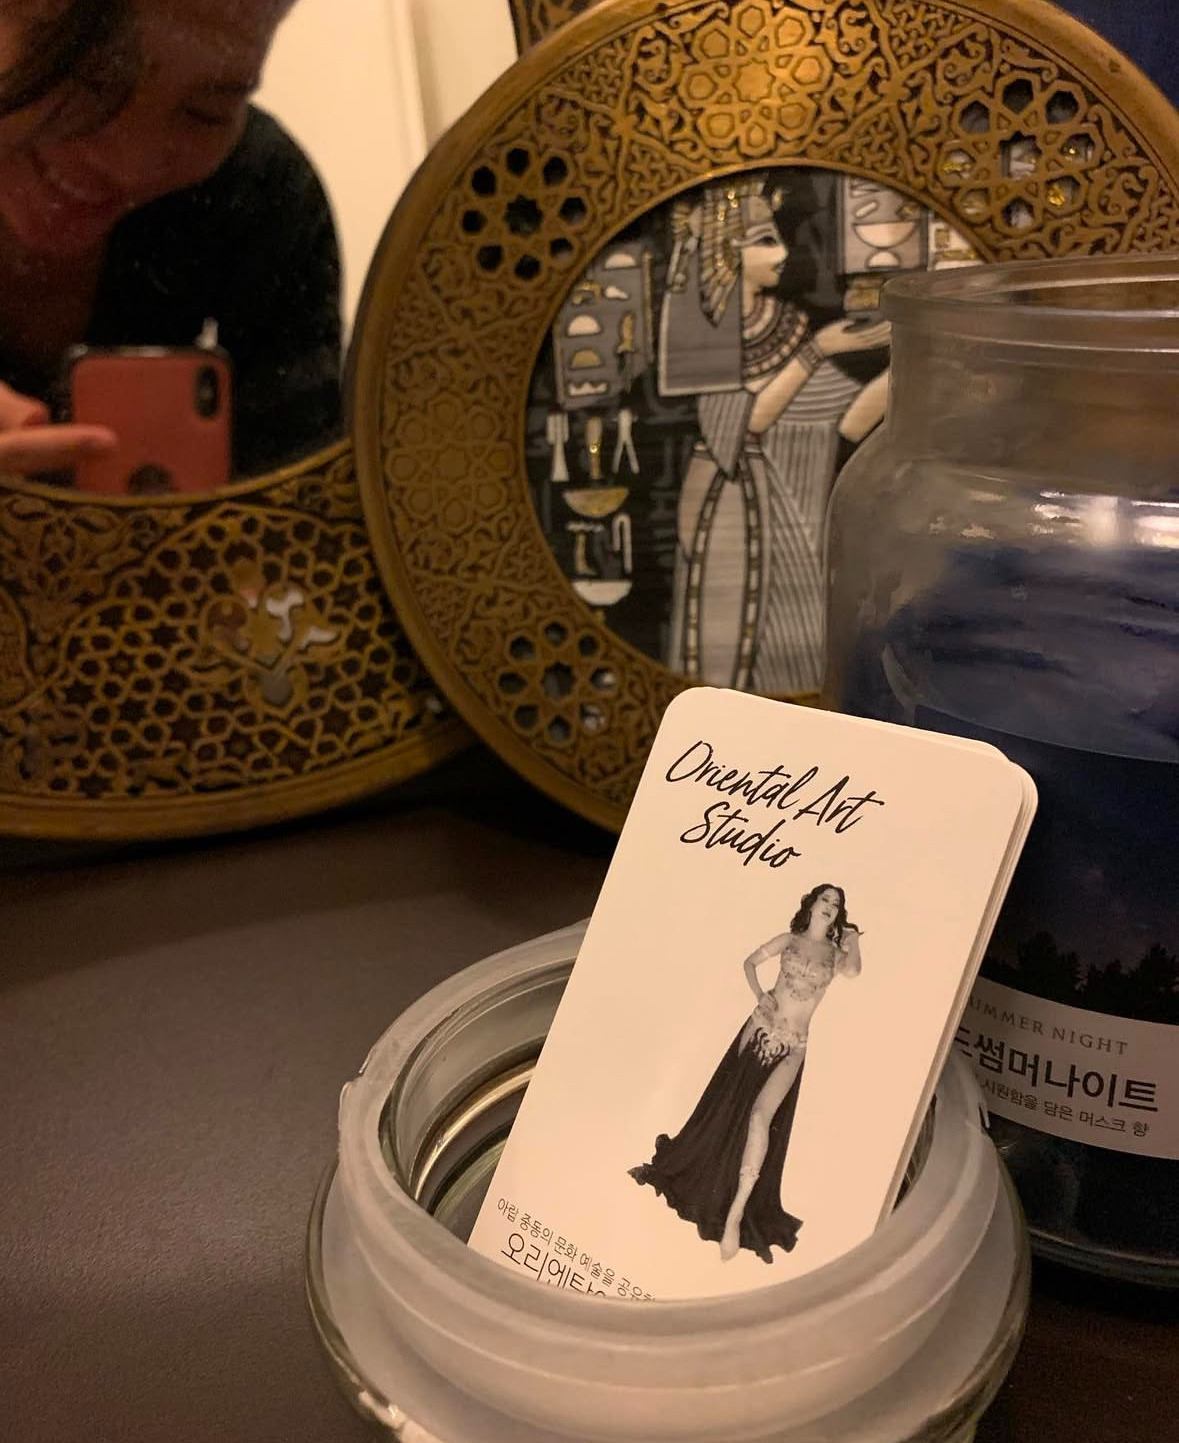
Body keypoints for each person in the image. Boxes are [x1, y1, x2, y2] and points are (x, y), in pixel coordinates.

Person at [0, 0, 341, 481]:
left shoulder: (258, 190)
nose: (128, 167)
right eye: (89, 77)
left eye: (207, 114)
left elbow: (300, 492)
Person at [662, 180, 889, 696]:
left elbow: (849, 421)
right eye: (764, 241)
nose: (782, 253)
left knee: (806, 632)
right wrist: (816, 352)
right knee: (740, 642)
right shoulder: (704, 332)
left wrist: (913, 365)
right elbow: (740, 426)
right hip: (733, 504)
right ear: (725, 253)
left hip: (798, 499)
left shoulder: (787, 322)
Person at [630, 884, 863, 1264]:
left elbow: (853, 971)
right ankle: (704, 1179)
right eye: (824, 899)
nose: (829, 906)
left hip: (794, 1045)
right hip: (758, 1029)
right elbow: (749, 962)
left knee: (759, 1118)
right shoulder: (789, 940)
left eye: (836, 904)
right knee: (728, 1107)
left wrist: (853, 939)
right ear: (811, 904)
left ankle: (736, 1215)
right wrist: (759, 995)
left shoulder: (837, 955)